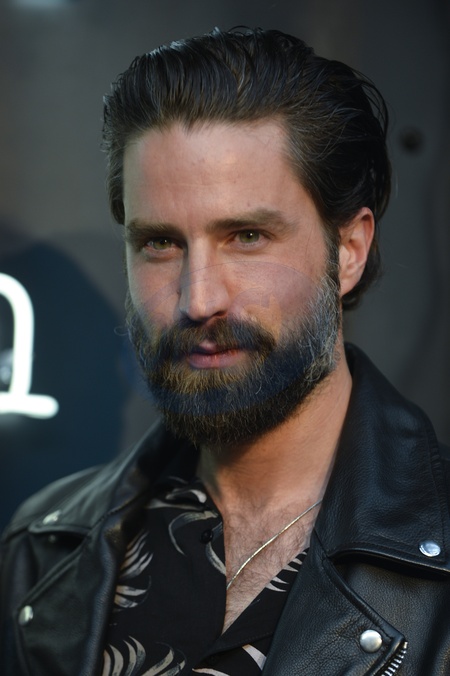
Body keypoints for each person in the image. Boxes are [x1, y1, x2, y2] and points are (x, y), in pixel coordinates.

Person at [1, 27, 449, 676]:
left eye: (246, 236)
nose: (198, 299)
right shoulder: (44, 549)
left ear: (349, 250)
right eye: (160, 243)